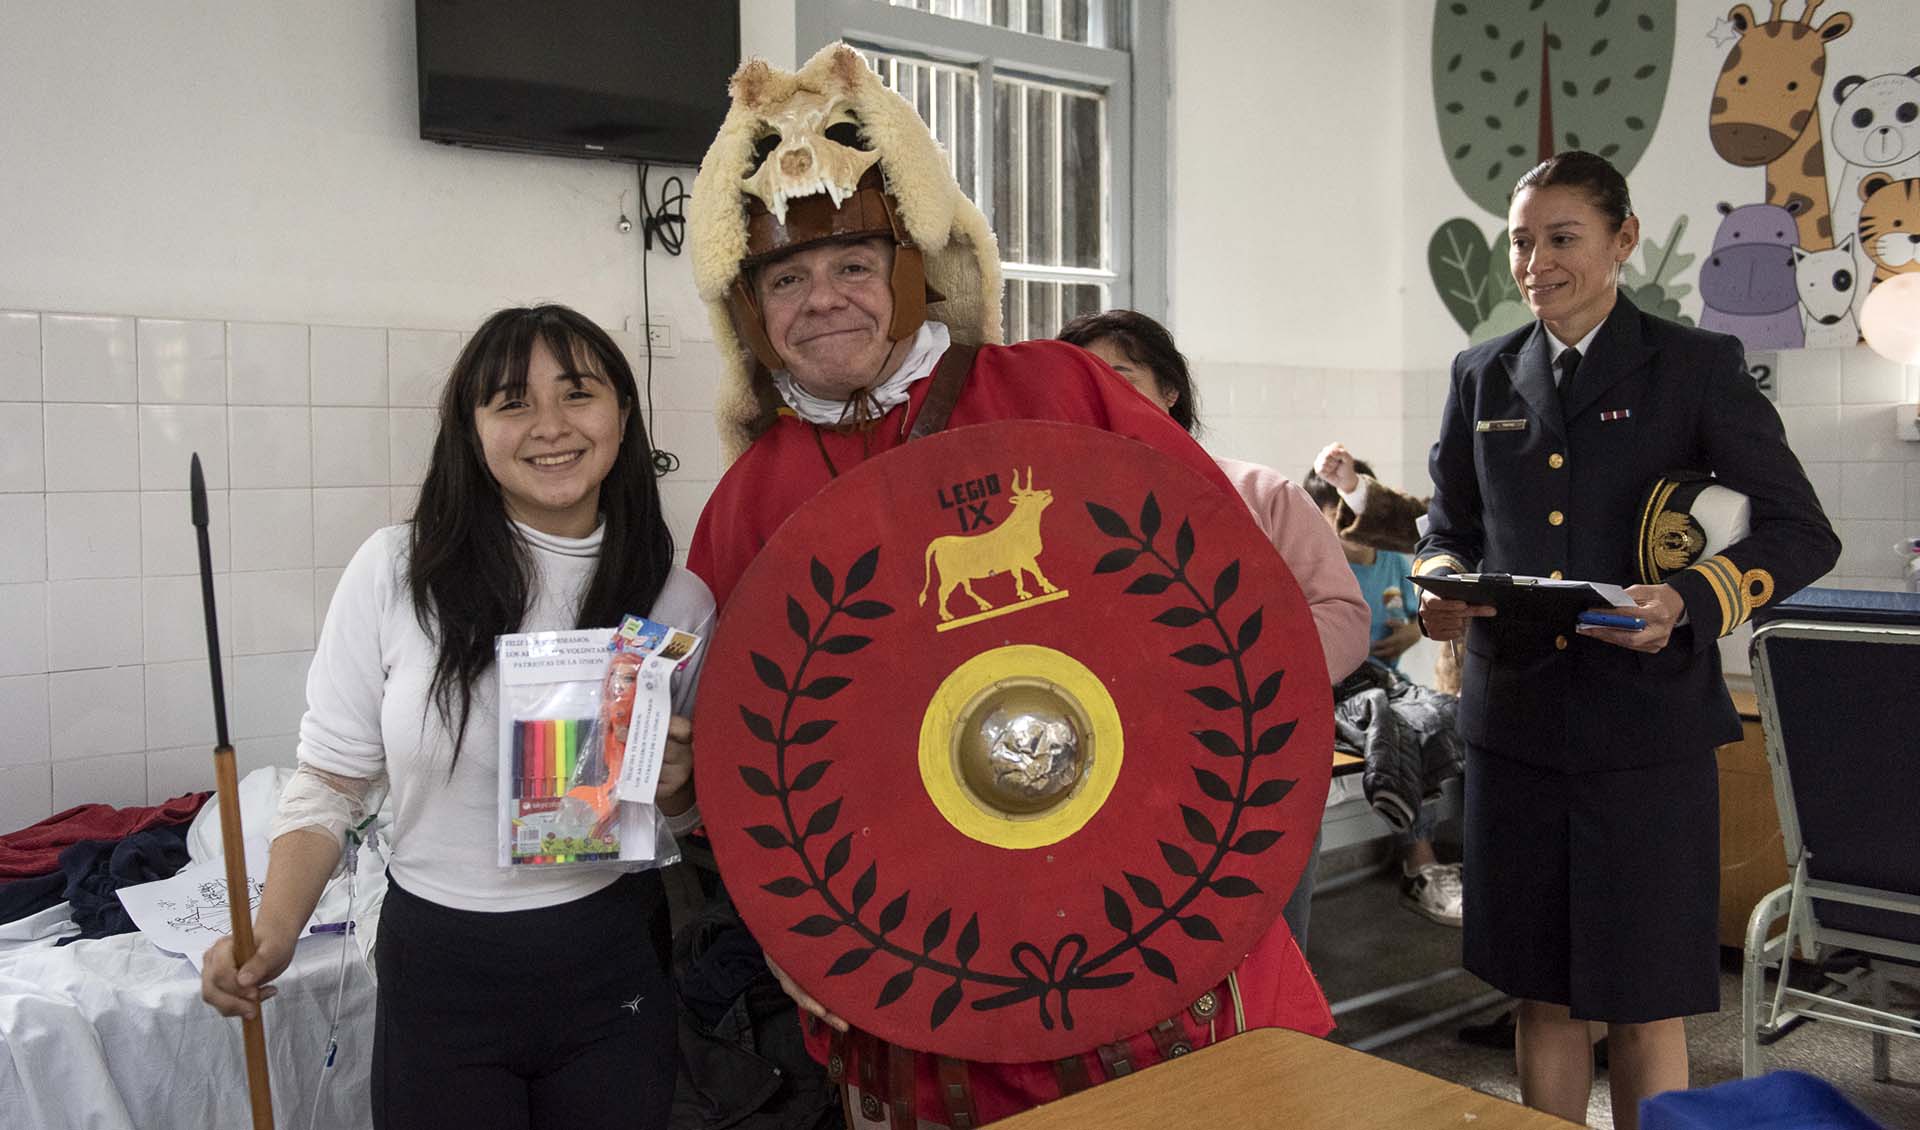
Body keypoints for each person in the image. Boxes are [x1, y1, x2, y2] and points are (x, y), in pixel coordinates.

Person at [685, 43, 1331, 1127]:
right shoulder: (750, 501)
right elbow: (721, 751)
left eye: (852, 264)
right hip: (924, 966)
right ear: (751, 310)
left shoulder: (1058, 390)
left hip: (1145, 910)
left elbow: (1224, 595)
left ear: (909, 267)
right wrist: (794, 924)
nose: (823, 300)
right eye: (786, 279)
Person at [200, 305, 715, 1130]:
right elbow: (331, 779)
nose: (550, 426)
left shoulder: (677, 601)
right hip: (440, 968)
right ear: (472, 432)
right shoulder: (396, 571)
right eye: (512, 402)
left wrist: (679, 787)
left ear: (622, 414)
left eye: (577, 394)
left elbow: (684, 815)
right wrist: (274, 930)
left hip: (614, 962)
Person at [1414, 151, 1838, 1129]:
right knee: (1543, 992)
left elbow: (1801, 530)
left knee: (1645, 998)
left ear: (1623, 241)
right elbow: (1451, 528)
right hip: (1517, 732)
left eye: (1562, 238)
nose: (1536, 263)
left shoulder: (1694, 367)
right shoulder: (1482, 374)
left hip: (1646, 736)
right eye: (1522, 242)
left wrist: (1689, 599)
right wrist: (1442, 585)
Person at [1056, 308, 1369, 947]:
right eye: (1082, 379)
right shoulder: (1056, 507)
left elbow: (1342, 618)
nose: (1101, 393)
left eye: (1121, 374)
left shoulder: (1260, 494)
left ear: (1170, 391)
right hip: (1104, 788)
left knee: (1262, 965)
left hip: (1254, 778)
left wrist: (1227, 671)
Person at [1301, 459, 1462, 927]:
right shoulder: (1315, 571)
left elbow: (1417, 615)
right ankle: (1420, 861)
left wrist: (1411, 633)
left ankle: (1427, 854)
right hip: (1342, 685)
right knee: (1392, 730)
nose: (1351, 525)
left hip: (1388, 680)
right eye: (1337, 514)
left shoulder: (1391, 559)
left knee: (1435, 717)